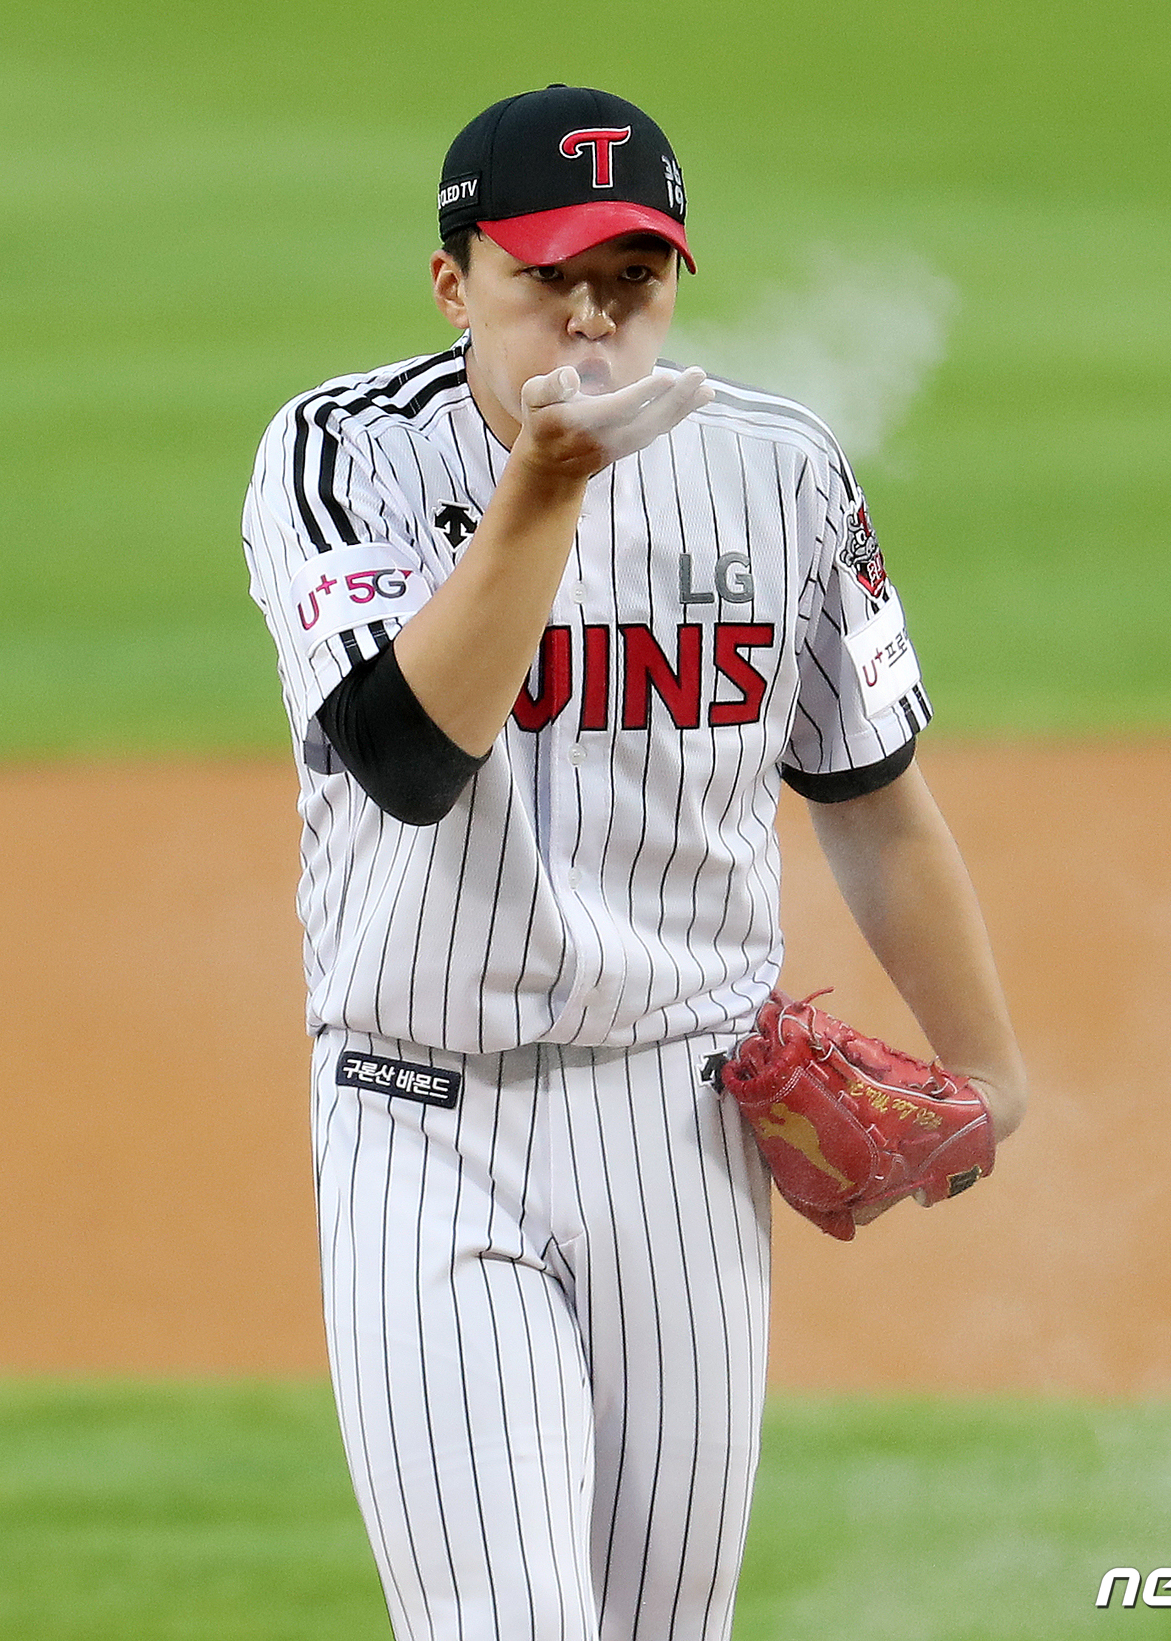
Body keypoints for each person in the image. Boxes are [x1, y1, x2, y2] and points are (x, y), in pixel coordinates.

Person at [242, 83, 1025, 1641]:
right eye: (549, 281)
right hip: (425, 1120)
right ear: (455, 280)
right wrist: (548, 484)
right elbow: (407, 756)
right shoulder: (342, 459)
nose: (592, 325)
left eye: (633, 282)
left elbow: (870, 794)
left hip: (690, 1126)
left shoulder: (784, 472)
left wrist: (990, 1073)